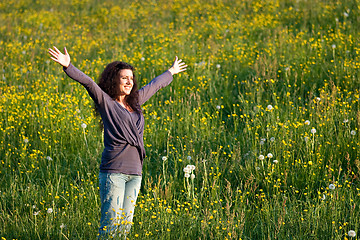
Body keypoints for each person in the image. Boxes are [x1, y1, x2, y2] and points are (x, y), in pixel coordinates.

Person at [48, 46, 187, 238]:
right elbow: (88, 83)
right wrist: (68, 66)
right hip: (114, 172)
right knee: (109, 227)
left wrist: (170, 71)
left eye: (131, 78)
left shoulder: (136, 102)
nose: (130, 82)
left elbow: (154, 85)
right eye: (124, 78)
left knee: (125, 228)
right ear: (115, 80)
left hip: (135, 173)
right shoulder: (107, 103)